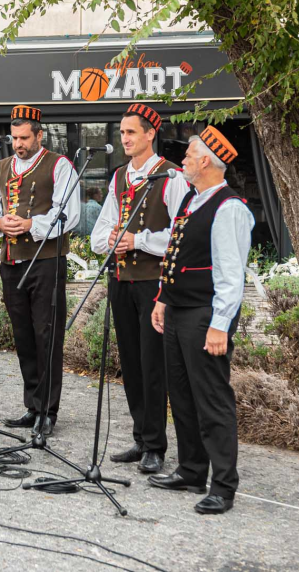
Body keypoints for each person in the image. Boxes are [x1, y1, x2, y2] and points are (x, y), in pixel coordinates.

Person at [150, 127, 254, 516]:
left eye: (190, 156)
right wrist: (163, 299)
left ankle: (223, 485)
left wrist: (220, 325)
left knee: (212, 398)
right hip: (179, 310)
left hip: (205, 314)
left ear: (206, 161)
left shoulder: (229, 208)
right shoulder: (192, 200)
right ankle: (192, 469)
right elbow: (176, 257)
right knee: (182, 395)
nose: (183, 162)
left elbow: (231, 275)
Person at [91, 103, 186, 474]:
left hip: (153, 285)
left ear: (150, 134)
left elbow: (180, 237)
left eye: (131, 132)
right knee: (130, 361)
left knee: (152, 364)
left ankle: (156, 446)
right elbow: (101, 231)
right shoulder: (118, 178)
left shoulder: (172, 177)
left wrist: (139, 239)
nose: (125, 138)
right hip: (120, 281)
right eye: (122, 132)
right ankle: (140, 437)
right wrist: (112, 240)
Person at [0, 105, 80, 437]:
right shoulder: (1, 167)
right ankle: (32, 405)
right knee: (23, 336)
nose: (18, 144)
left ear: (39, 134)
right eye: (14, 137)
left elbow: (70, 214)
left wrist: (31, 224)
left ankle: (48, 410)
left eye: (24, 137)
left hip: (46, 262)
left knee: (46, 336)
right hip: (11, 260)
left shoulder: (59, 166)